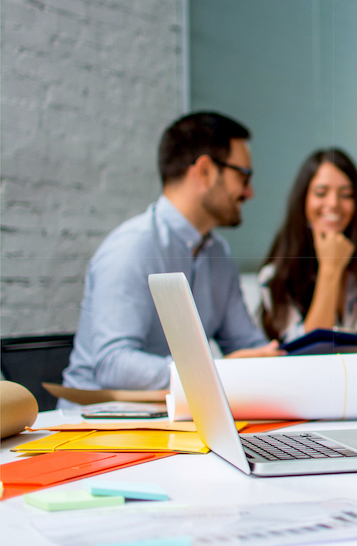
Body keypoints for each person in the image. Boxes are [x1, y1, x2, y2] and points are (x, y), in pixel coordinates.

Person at [62, 112, 282, 392]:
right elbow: (113, 365)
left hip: (176, 417)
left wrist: (279, 364)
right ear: (205, 171)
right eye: (244, 176)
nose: (250, 192)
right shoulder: (132, 247)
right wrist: (215, 373)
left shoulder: (218, 254)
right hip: (97, 424)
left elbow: (248, 346)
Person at [258, 148, 357, 348]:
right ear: (303, 200)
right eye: (321, 193)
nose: (333, 203)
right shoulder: (277, 277)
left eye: (346, 194)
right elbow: (303, 356)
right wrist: (330, 268)